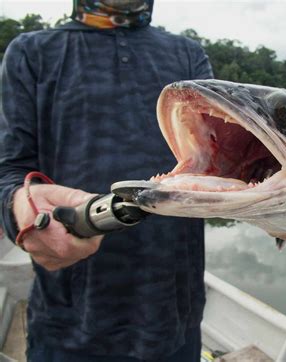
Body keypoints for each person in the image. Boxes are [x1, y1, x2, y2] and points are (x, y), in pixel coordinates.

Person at [0, 0, 213, 360]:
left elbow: (221, 164)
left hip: (175, 324)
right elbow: (9, 172)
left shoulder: (188, 55)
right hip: (66, 329)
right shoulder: (31, 52)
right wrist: (22, 205)